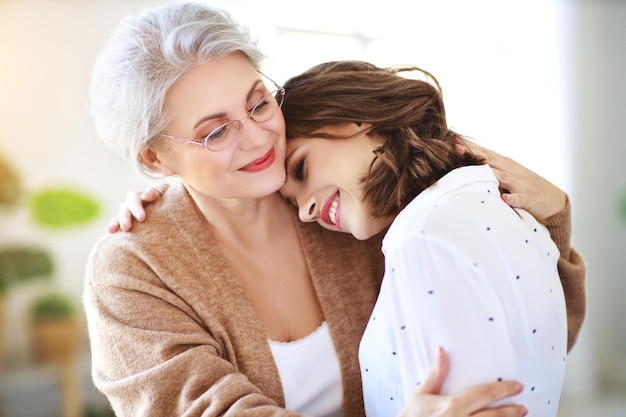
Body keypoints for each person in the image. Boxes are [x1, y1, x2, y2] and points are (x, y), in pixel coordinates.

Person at [86, 3, 585, 417]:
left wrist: (553, 213)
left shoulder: (352, 207)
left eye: (258, 103)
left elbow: (523, 338)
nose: (260, 138)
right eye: (216, 131)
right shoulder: (131, 272)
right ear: (153, 158)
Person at [277, 60, 577, 416]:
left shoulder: (421, 240)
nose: (304, 212)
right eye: (292, 202)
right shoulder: (510, 212)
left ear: (352, 118)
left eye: (300, 168)